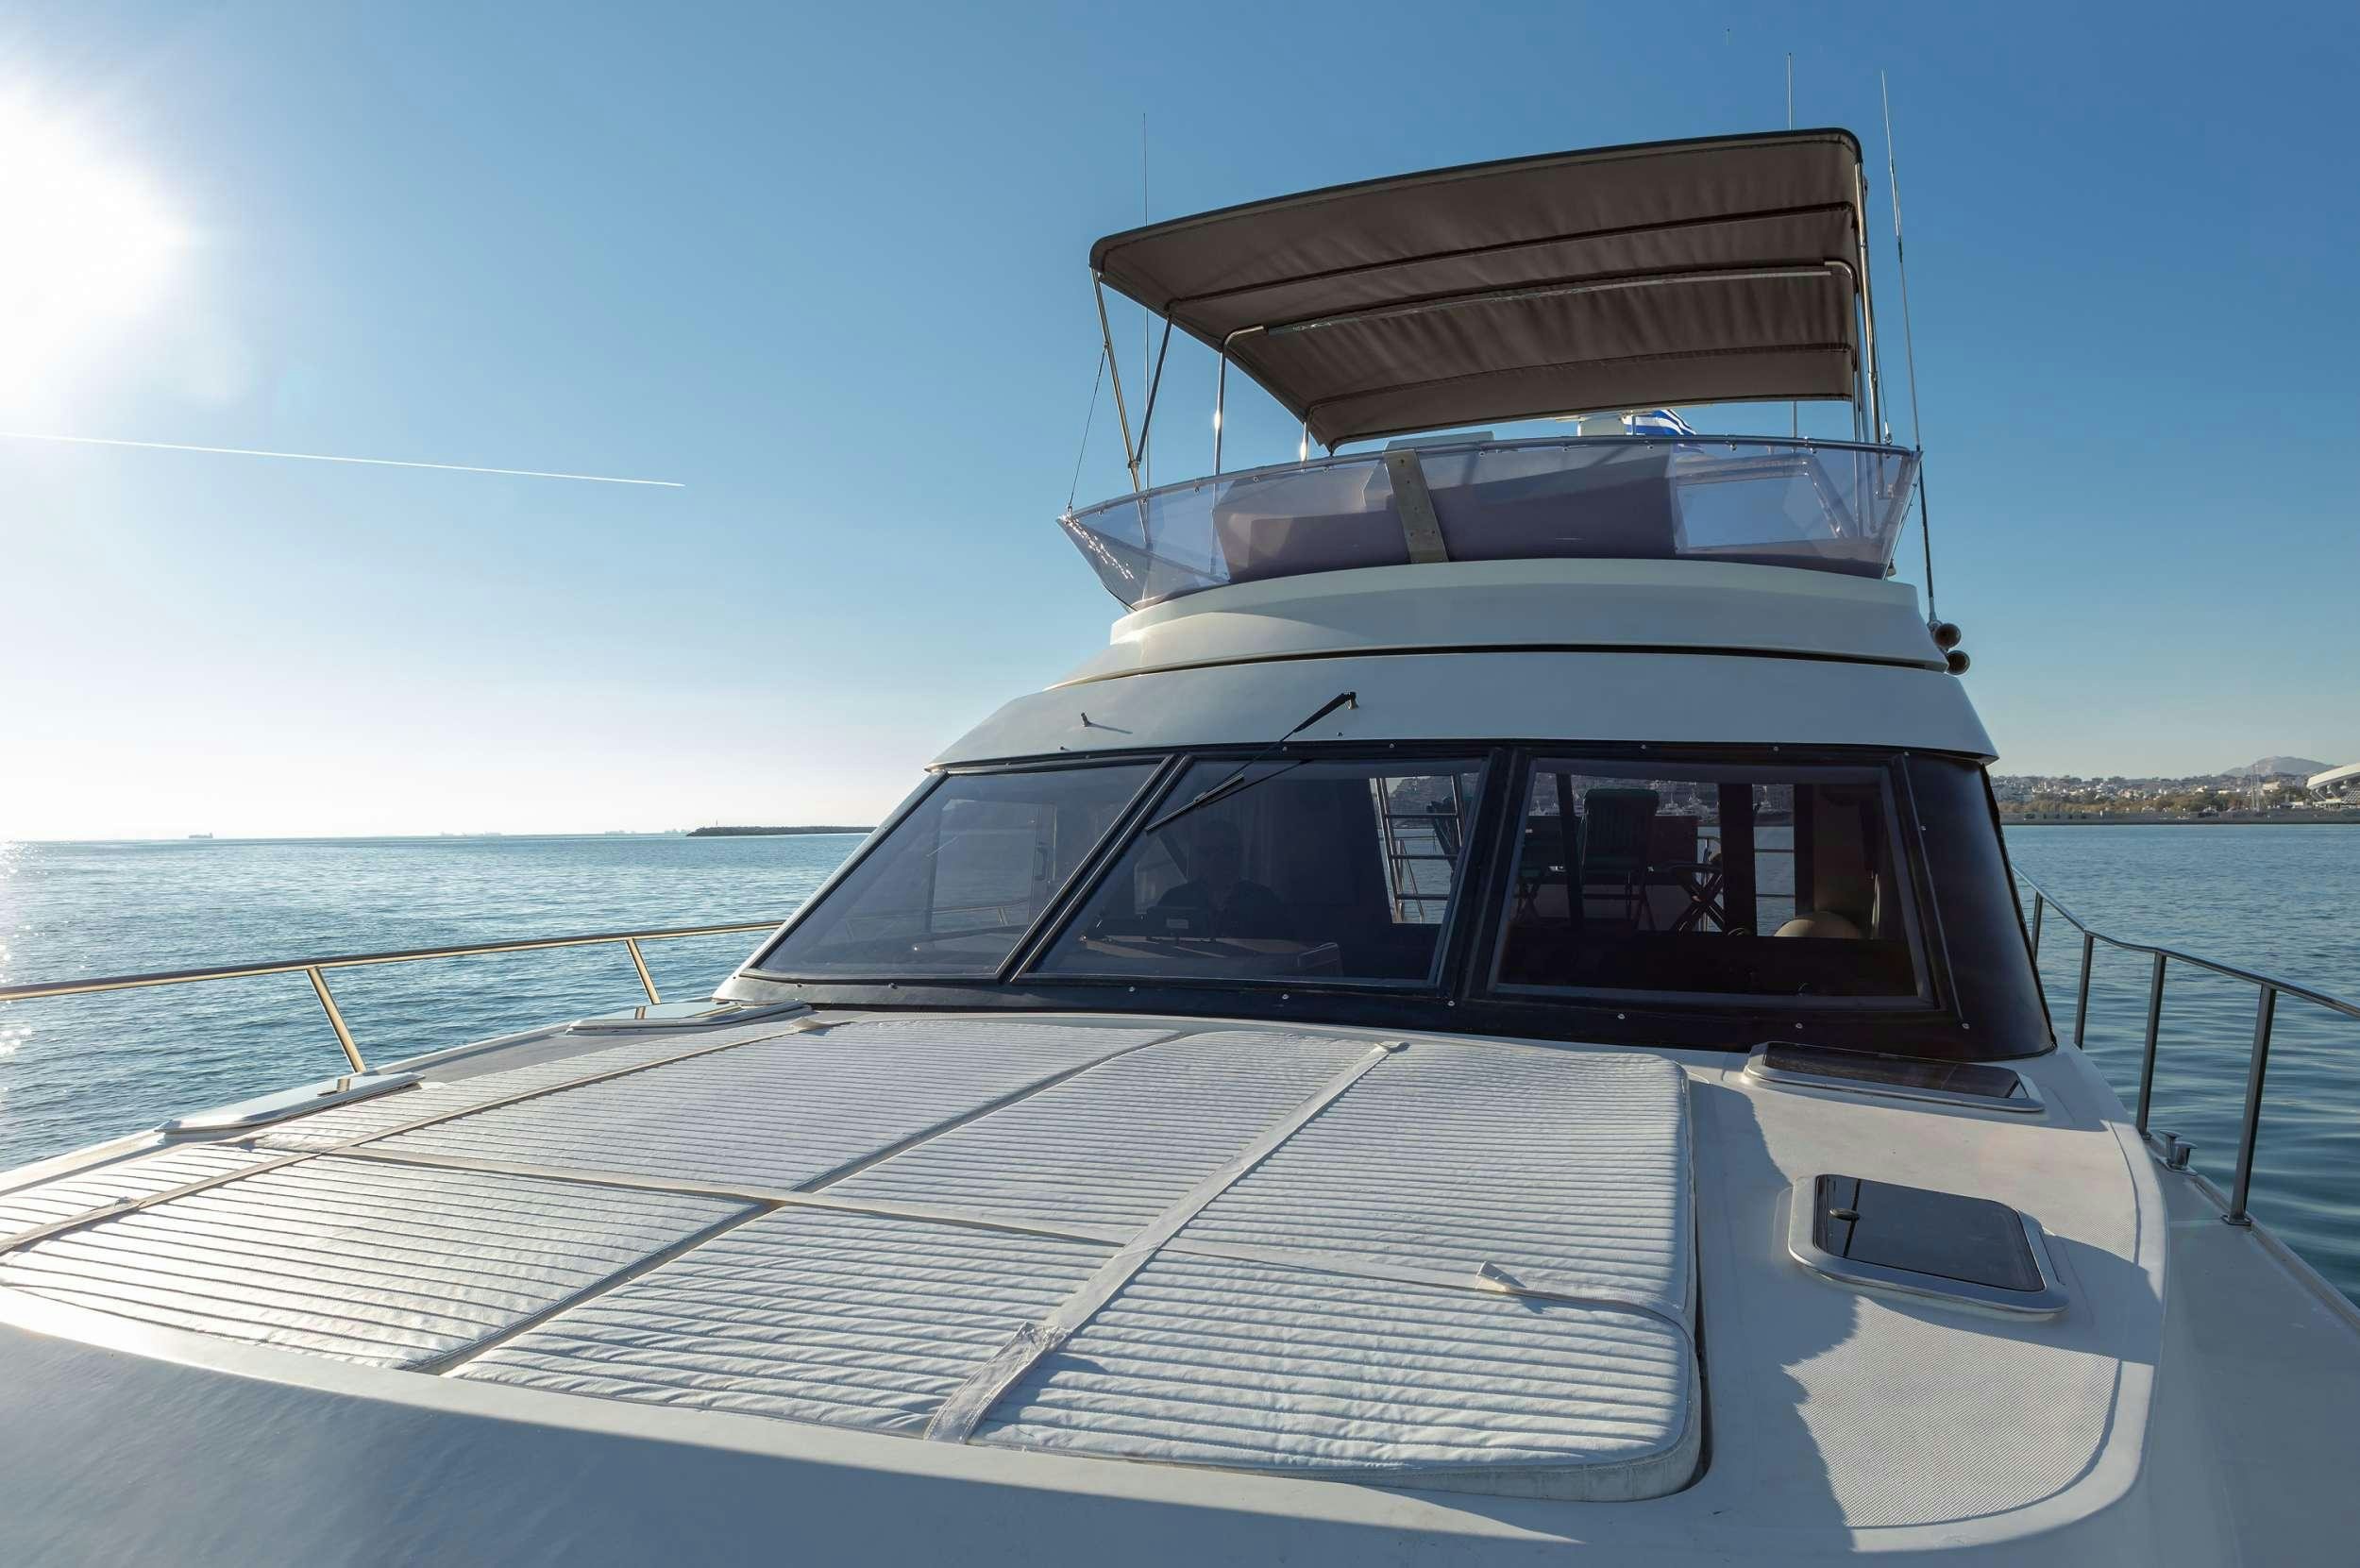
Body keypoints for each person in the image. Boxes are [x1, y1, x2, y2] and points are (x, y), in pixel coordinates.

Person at [1152, 818, 1291, 938]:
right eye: (1207, 852)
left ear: (1240, 854)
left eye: (1226, 851)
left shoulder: (1264, 901)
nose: (1215, 859)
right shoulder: (1174, 900)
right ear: (1197, 857)